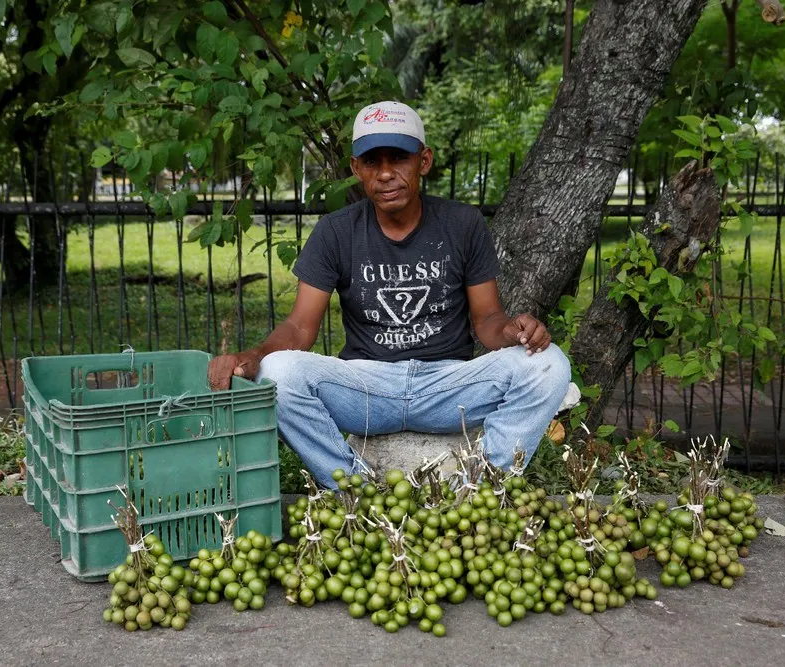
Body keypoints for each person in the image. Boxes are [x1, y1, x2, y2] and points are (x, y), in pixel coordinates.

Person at [208, 100, 572, 488]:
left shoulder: (462, 223)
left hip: (447, 386)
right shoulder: (336, 231)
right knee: (276, 373)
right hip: (365, 388)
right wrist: (256, 355)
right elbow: (299, 328)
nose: (385, 174)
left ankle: (482, 487)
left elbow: (486, 320)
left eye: (398, 158)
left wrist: (515, 332)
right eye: (371, 162)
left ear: (424, 161)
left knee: (547, 363)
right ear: (356, 168)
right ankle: (354, 489)